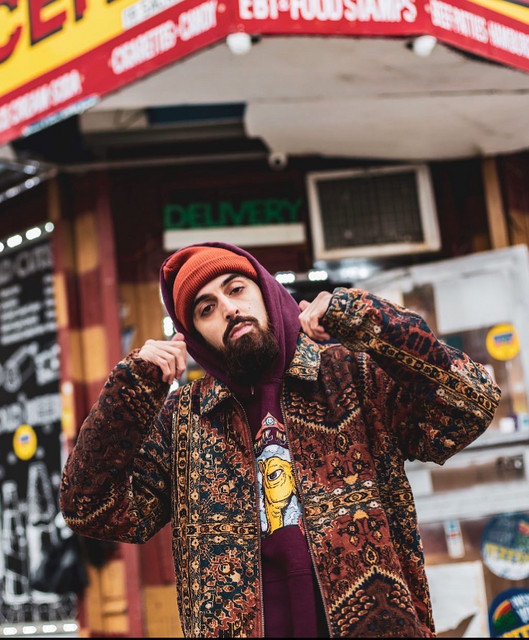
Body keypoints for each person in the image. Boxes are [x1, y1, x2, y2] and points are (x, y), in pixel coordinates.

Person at [59, 241, 501, 638]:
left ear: (266, 291)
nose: (228, 309)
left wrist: (365, 318)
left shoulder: (350, 375)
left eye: (236, 290)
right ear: (194, 336)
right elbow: (90, 509)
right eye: (206, 309)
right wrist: (129, 392)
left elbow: (471, 404)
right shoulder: (184, 419)